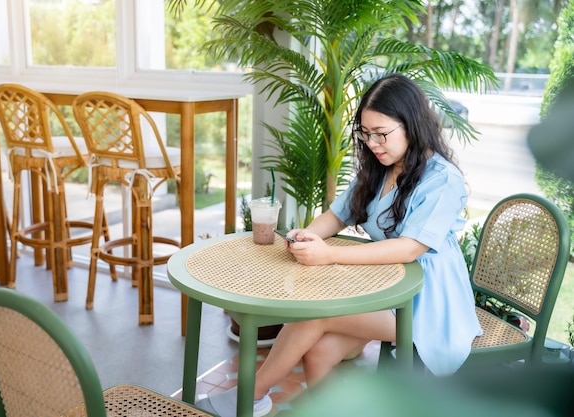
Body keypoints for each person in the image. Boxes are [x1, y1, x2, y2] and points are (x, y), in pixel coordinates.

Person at [198, 74, 482, 417]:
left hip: (428, 303)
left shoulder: (442, 179)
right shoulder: (380, 168)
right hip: (386, 288)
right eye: (366, 133)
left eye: (382, 134)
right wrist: (310, 235)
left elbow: (410, 249)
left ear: (412, 125)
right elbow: (337, 215)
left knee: (313, 316)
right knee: (318, 351)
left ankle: (247, 398)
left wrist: (329, 255)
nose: (373, 143)